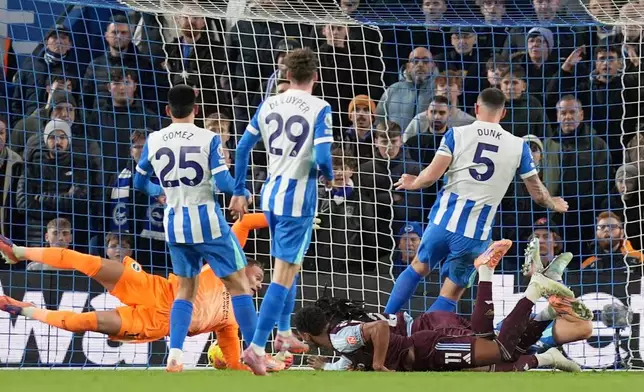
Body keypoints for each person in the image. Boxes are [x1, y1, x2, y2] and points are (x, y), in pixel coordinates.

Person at [0, 214, 271, 371]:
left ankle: (25, 309)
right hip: (153, 288)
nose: (259, 284)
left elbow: (237, 363)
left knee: (84, 322)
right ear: (244, 268)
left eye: (261, 283)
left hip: (153, 323)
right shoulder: (222, 265)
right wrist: (279, 217)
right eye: (258, 277)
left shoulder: (236, 319)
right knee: (87, 261)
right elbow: (244, 223)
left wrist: (258, 364)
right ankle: (19, 252)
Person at [385, 87, 569, 316]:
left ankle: (385, 319)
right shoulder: (518, 146)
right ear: (503, 114)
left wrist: (414, 182)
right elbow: (538, 194)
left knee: (417, 268)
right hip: (475, 235)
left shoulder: (456, 134)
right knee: (450, 294)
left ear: (476, 109)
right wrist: (554, 203)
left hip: (443, 222)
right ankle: (421, 335)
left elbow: (431, 177)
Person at [294, 249, 587, 373]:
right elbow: (351, 359)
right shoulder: (343, 337)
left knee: (499, 351)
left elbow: (378, 331)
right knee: (496, 351)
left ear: (308, 332)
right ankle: (543, 317)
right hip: (423, 334)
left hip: (424, 339)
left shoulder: (340, 337)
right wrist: (329, 367)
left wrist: (380, 365)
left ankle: (524, 287)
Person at [132, 84, 257, 373]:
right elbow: (225, 183)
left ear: (167, 110)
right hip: (208, 224)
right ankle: (255, 352)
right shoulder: (209, 138)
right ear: (196, 109)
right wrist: (242, 192)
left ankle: (175, 355)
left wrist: (158, 191)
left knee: (185, 291)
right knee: (238, 286)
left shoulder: (154, 139)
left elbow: (139, 184)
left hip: (175, 225)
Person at [230, 47, 334, 376]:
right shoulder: (320, 107)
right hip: (297, 201)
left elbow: (243, 147)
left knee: (290, 265)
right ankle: (257, 348)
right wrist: (329, 177)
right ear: (314, 76)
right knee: (283, 275)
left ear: (287, 76)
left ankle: (285, 333)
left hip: (270, 196)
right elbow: (322, 158)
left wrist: (238, 189)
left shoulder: (269, 104)